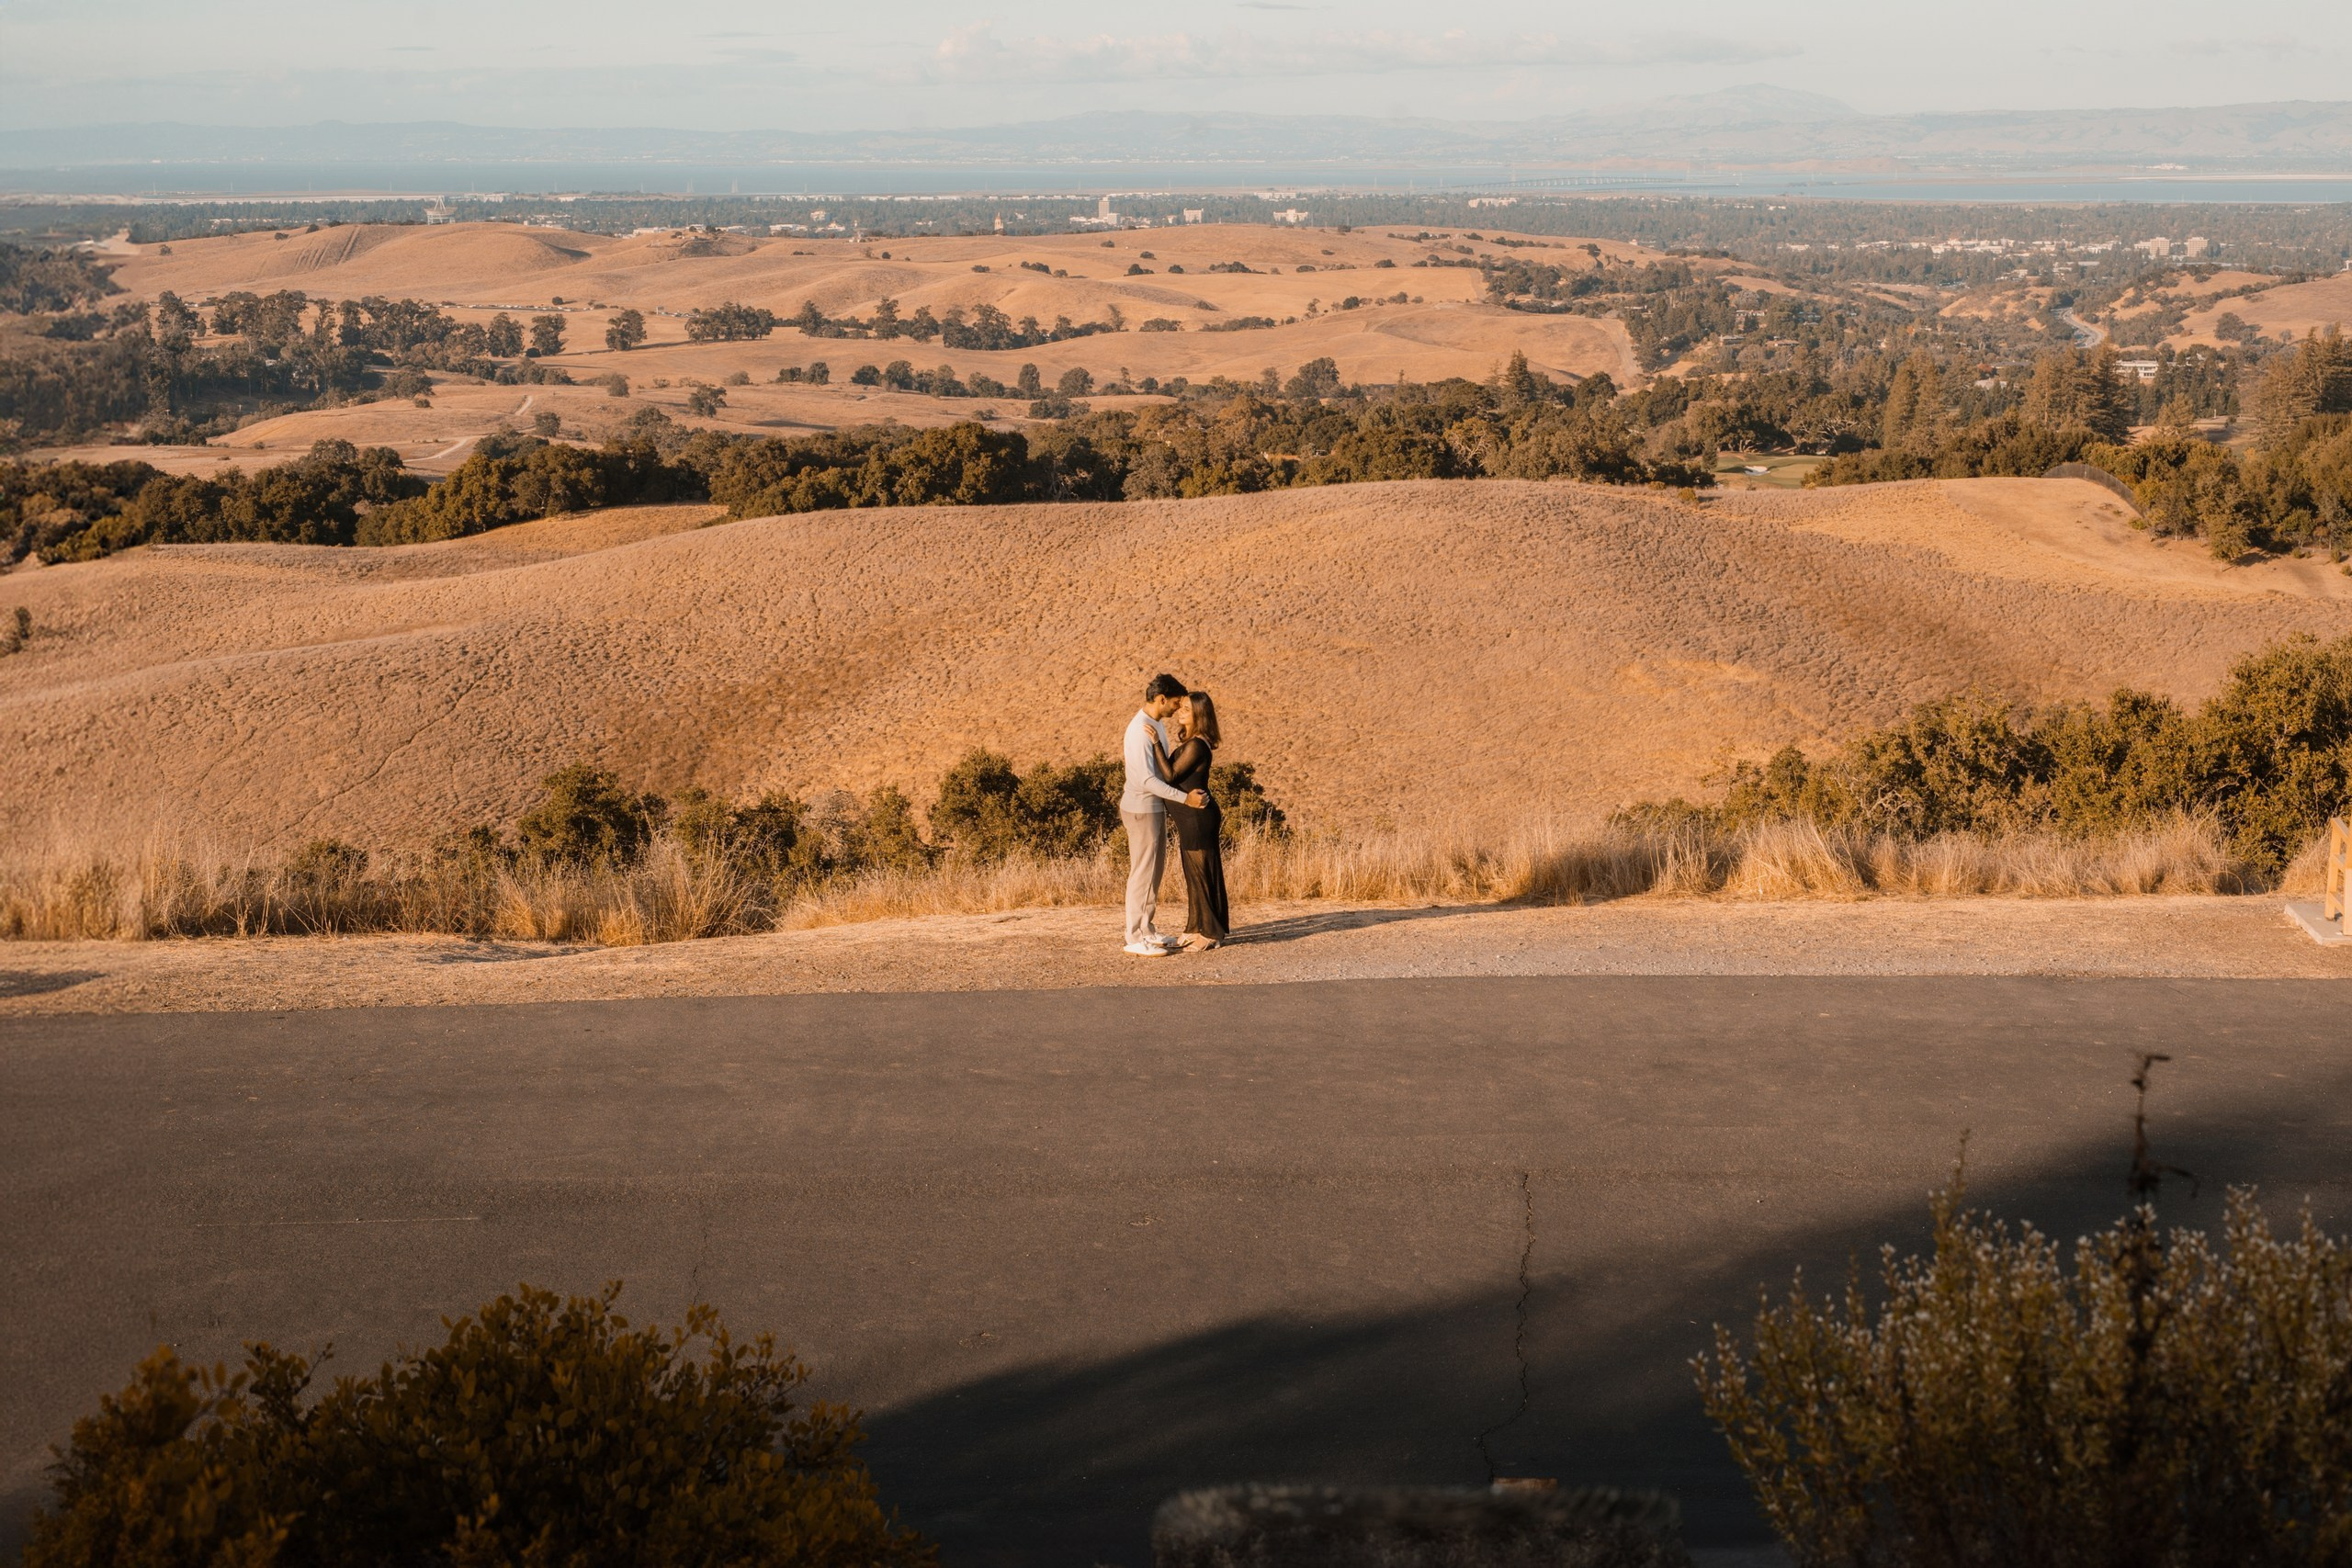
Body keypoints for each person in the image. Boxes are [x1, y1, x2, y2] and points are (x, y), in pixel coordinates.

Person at [1121, 673, 1207, 957]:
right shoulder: (1140, 730)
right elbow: (1148, 780)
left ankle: (1147, 930)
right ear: (1161, 700)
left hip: (1151, 807)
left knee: (1153, 873)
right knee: (1142, 873)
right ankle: (1134, 937)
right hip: (1142, 808)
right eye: (1175, 703)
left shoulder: (1153, 724)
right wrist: (1186, 799)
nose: (1178, 709)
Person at [1159, 690, 1229, 948]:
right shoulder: (1191, 742)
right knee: (1193, 873)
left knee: (1201, 873)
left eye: (1187, 708)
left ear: (1199, 715)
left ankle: (1210, 934)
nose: (1180, 711)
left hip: (1199, 817)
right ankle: (1194, 927)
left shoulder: (1197, 745)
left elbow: (1170, 775)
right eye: (1182, 707)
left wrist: (1155, 743)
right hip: (1189, 818)